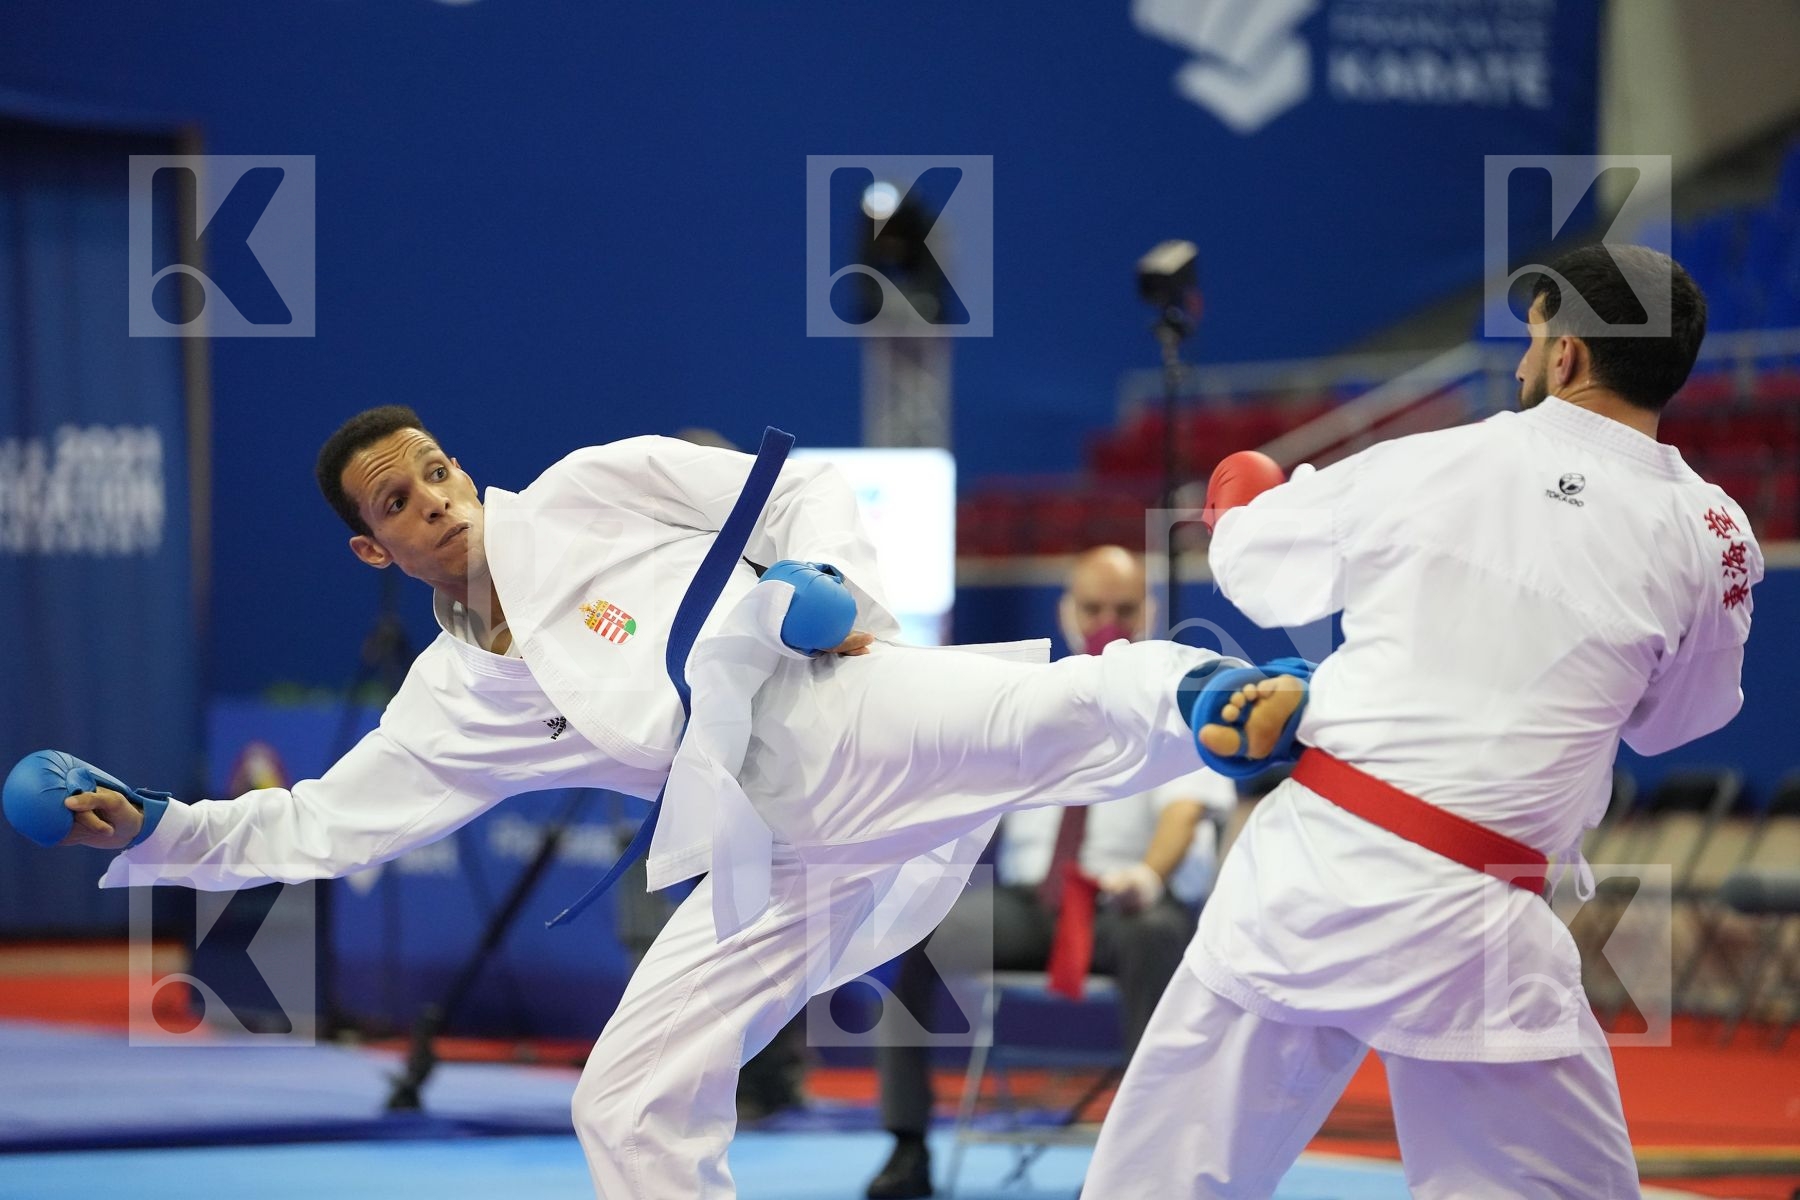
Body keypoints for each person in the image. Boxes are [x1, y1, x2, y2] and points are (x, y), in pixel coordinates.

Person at [35, 409, 1259, 1200]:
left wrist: (828, 580)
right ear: (374, 551)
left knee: (1040, 719)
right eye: (397, 504)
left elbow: (800, 490)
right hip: (767, 846)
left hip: (836, 710)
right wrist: (161, 829)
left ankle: (1216, 690)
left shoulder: (585, 489)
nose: (435, 500)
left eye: (437, 471)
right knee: (622, 1100)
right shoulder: (458, 693)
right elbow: (320, 821)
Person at [1082, 244, 1762, 1198]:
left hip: (1312, 875)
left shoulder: (1434, 459)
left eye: (1532, 342)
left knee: (1162, 1181)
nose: (1524, 364)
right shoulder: (1714, 534)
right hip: (1483, 920)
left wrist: (1240, 495)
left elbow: (1257, 568)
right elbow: (1671, 725)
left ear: (1565, 356)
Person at [866, 546, 1238, 1199]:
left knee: (1158, 934)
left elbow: (1184, 812)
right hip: (1027, 905)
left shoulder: (1178, 691)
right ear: (1067, 611)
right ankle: (907, 1146)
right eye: (1093, 607)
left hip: (1123, 905)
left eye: (1123, 608)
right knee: (915, 930)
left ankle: (1146, 1162)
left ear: (1147, 611)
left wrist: (1148, 876)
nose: (1107, 620)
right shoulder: (1026, 693)